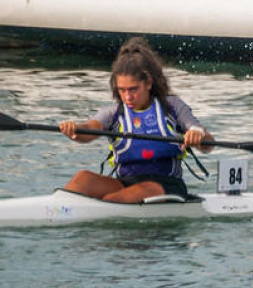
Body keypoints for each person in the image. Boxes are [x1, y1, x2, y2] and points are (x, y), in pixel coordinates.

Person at [58, 37, 214, 203]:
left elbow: (207, 143)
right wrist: (74, 130)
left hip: (165, 185)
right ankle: (59, 208)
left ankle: (102, 207)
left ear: (148, 83)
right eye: (122, 90)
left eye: (133, 89)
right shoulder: (113, 113)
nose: (127, 97)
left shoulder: (172, 106)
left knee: (121, 196)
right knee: (83, 178)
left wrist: (197, 136)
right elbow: (89, 129)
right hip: (125, 183)